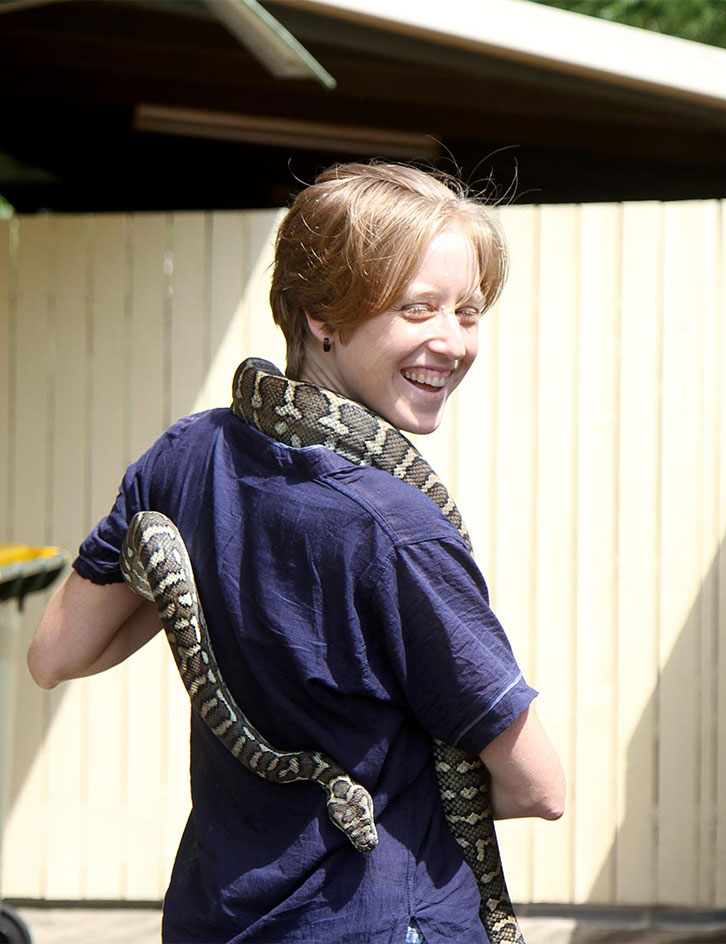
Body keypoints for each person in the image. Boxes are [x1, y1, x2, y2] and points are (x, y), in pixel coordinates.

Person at [27, 162, 565, 943]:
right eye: (418, 310)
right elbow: (540, 788)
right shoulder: (395, 527)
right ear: (323, 316)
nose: (451, 341)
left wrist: (187, 575)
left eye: (469, 312)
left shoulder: (185, 460)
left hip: (220, 917)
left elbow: (53, 656)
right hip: (382, 918)